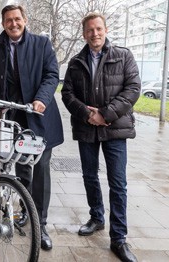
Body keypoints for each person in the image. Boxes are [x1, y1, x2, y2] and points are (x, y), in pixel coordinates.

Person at [61, 12, 140, 262]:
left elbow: (133, 89)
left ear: (105, 30)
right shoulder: (75, 62)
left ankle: (119, 239)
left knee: (118, 182)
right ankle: (96, 217)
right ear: (84, 33)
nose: (94, 34)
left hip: (115, 128)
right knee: (89, 176)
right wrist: (86, 114)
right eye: (89, 30)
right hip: (86, 128)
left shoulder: (123, 55)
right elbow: (67, 93)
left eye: (98, 29)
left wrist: (105, 114)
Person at [0, 5, 64, 251]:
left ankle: (40, 224)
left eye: (17, 19)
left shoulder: (41, 44)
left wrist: (41, 99)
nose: (13, 24)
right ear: (3, 23)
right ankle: (26, 211)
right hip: (15, 120)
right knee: (22, 170)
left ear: (25, 20)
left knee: (41, 170)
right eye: (8, 20)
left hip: (40, 118)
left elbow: (52, 74)